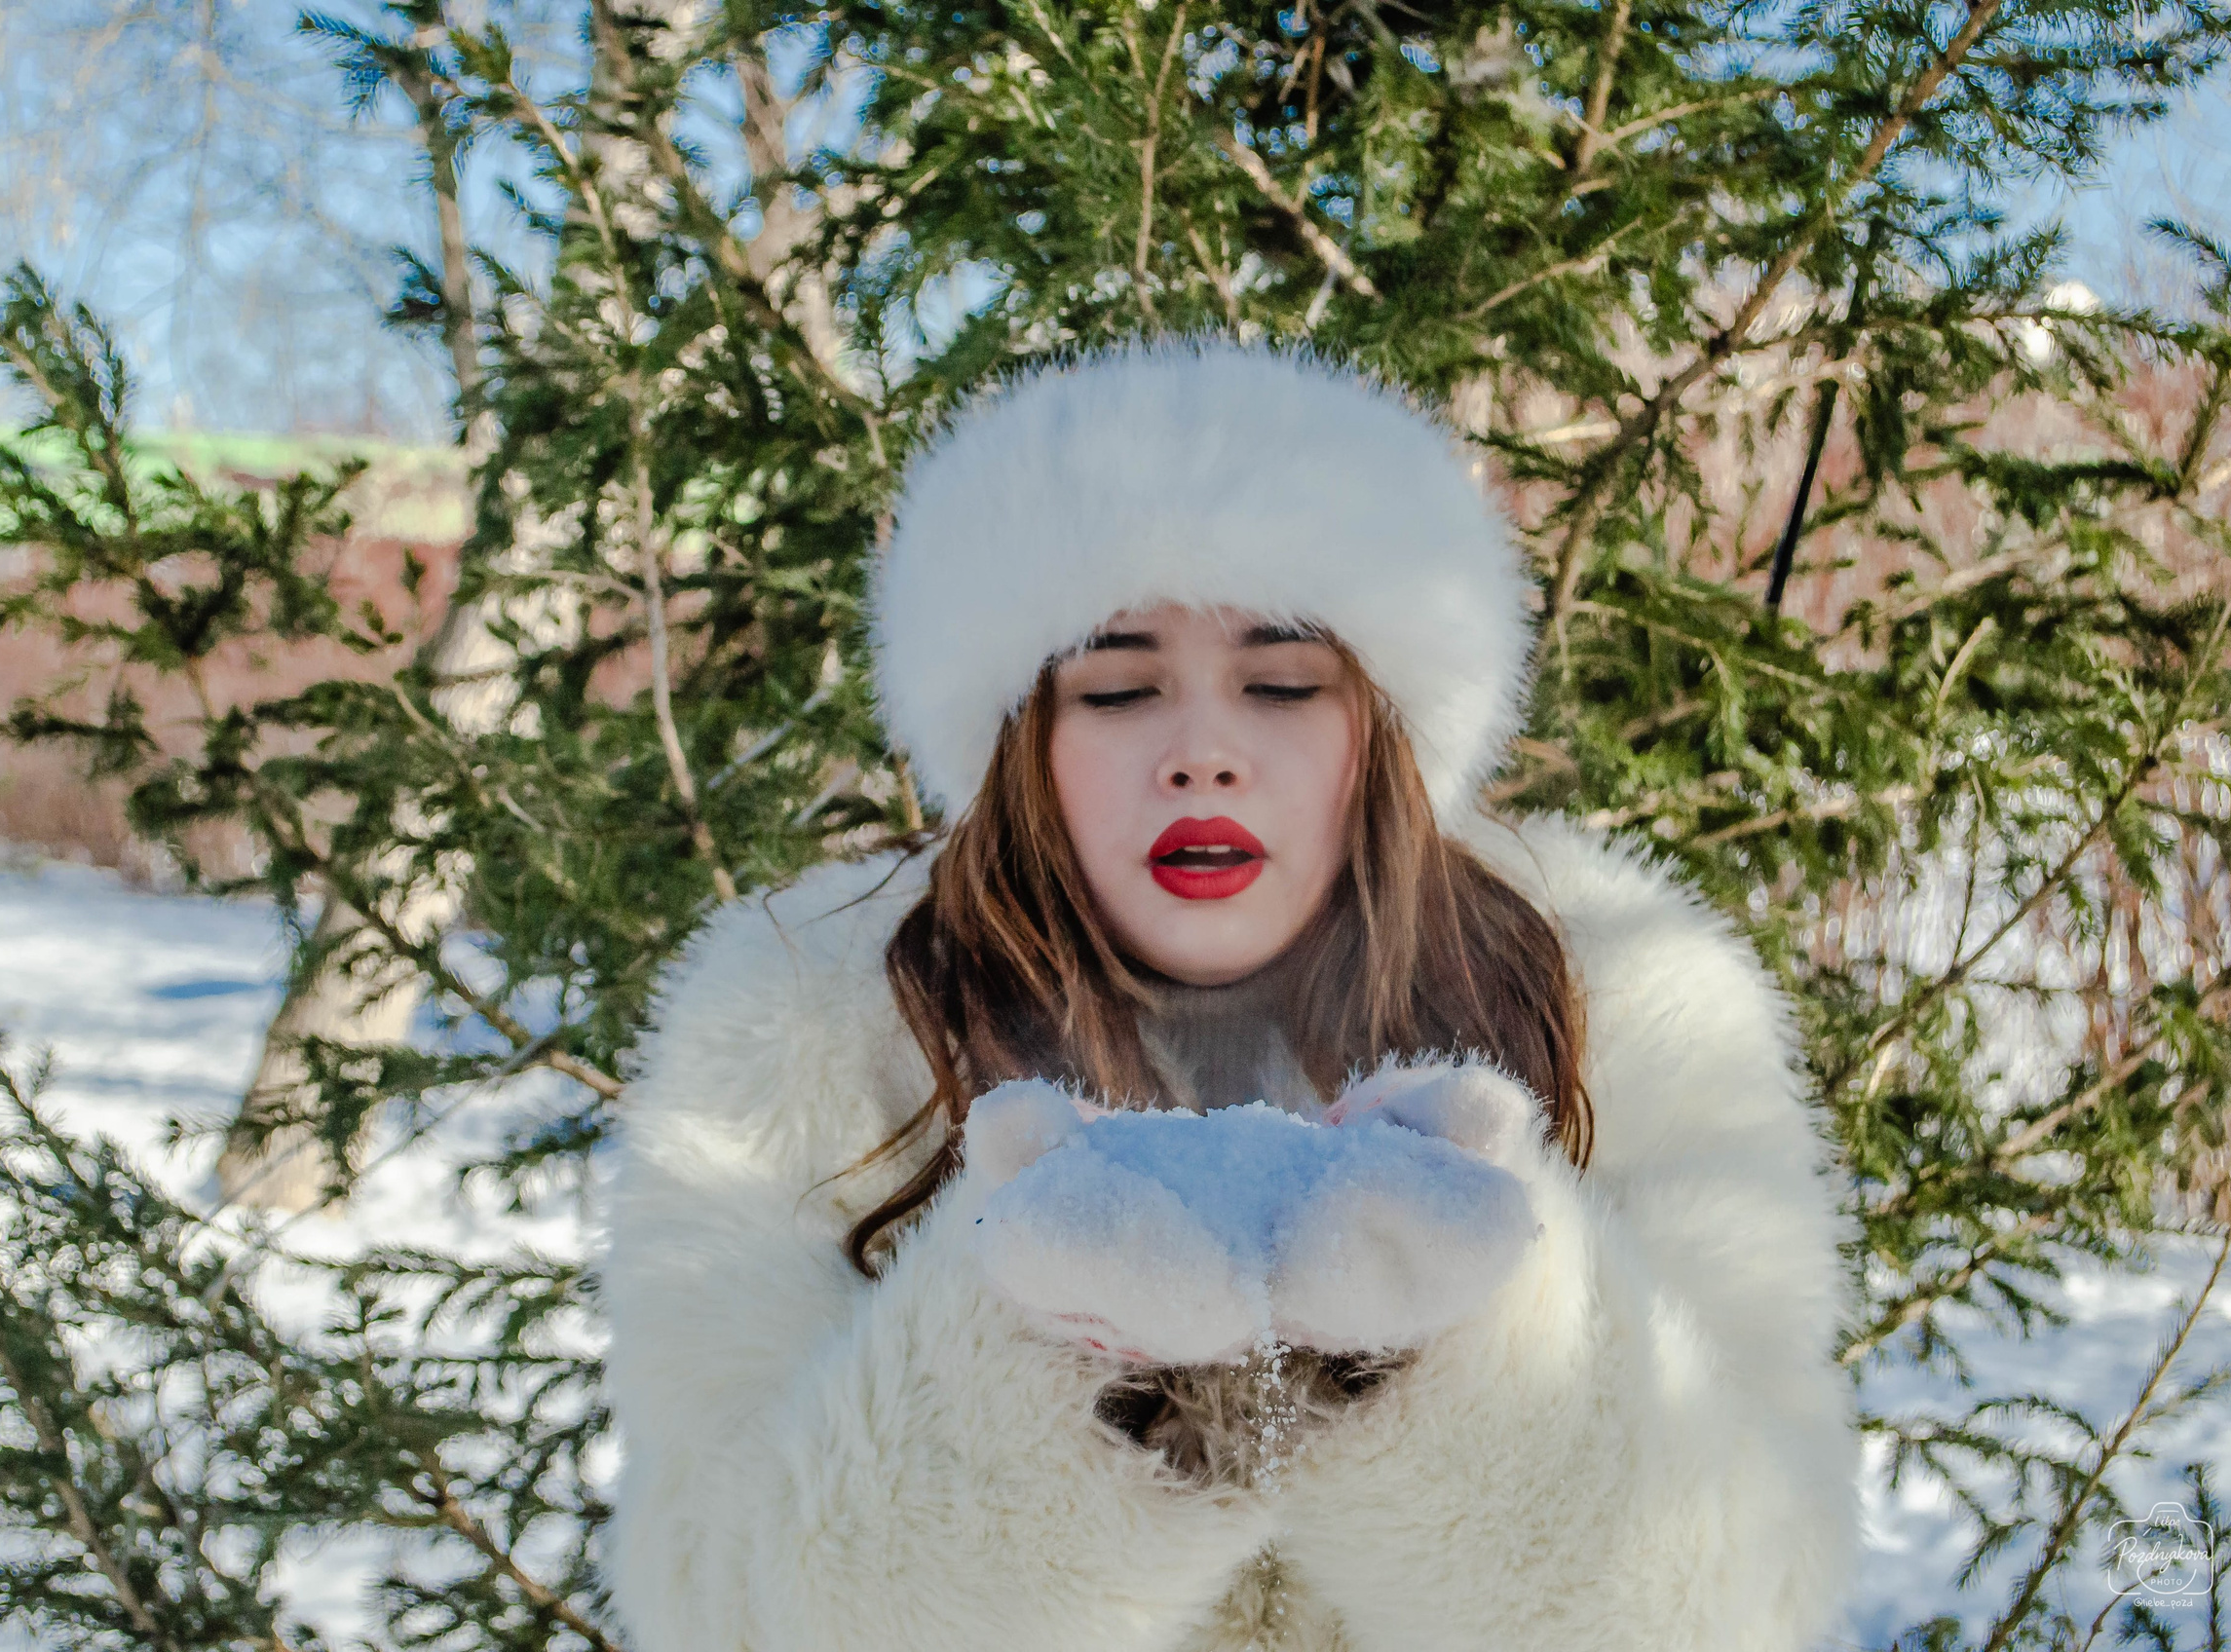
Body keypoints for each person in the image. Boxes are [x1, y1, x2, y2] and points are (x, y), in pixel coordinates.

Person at [590, 341, 1863, 1651]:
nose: (1203, 754)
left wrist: (1459, 1351)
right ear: (1020, 738)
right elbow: (727, 1611)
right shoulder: (805, 1025)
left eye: (1282, 684)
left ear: (1381, 726)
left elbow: (1742, 1601)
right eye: (1119, 688)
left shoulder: (1623, 996)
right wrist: (1030, 1352)